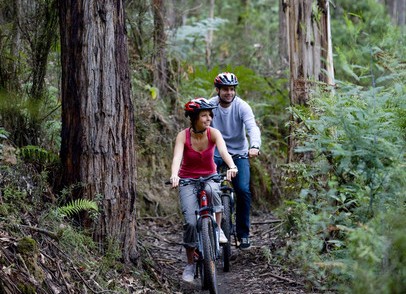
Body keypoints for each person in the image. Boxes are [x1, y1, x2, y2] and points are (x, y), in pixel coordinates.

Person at [170, 98, 238, 283]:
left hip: (210, 176)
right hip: (187, 180)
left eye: (210, 115)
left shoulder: (213, 133)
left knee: (214, 192)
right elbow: (177, 157)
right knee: (191, 223)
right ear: (193, 118)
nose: (208, 119)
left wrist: (232, 166)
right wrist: (174, 175)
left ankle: (216, 229)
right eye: (204, 115)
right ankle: (190, 264)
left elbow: (224, 152)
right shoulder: (183, 136)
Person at [208, 72, 261, 250]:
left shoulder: (242, 106)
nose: (229, 93)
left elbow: (252, 127)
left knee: (243, 190)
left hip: (239, 153)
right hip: (215, 152)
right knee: (207, 186)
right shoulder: (210, 106)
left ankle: (243, 235)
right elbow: (199, 123)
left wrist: (254, 146)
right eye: (225, 89)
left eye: (231, 89)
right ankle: (208, 227)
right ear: (218, 90)